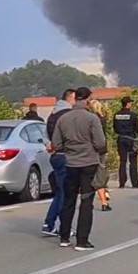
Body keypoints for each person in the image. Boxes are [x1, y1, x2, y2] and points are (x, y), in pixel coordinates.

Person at [51, 86, 106, 250]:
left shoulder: (63, 119)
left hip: (70, 164)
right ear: (88, 99)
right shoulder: (92, 119)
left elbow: (56, 143)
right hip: (89, 163)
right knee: (86, 201)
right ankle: (82, 240)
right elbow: (100, 142)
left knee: (69, 200)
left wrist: (70, 148)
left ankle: (64, 236)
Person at [41, 88, 77, 237]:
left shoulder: (52, 114)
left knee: (61, 192)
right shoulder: (68, 115)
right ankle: (60, 226)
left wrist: (50, 145)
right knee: (66, 193)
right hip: (65, 156)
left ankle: (50, 223)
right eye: (76, 98)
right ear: (70, 98)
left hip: (55, 155)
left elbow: (45, 136)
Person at [113, 97, 138, 189]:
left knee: (122, 161)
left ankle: (122, 183)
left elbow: (115, 128)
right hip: (131, 139)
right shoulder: (133, 115)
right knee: (133, 162)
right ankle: (135, 183)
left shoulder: (116, 115)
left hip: (121, 139)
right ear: (128, 104)